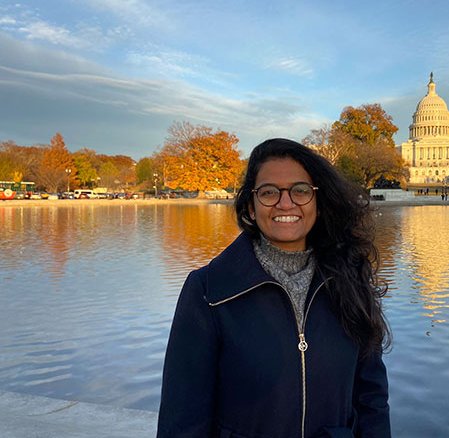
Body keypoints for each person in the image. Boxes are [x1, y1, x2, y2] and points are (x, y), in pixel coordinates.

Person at [157, 138, 391, 438]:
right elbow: (182, 416)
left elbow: (371, 397)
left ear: (317, 203)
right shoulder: (208, 290)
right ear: (251, 209)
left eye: (300, 191)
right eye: (269, 192)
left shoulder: (350, 279)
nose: (285, 203)